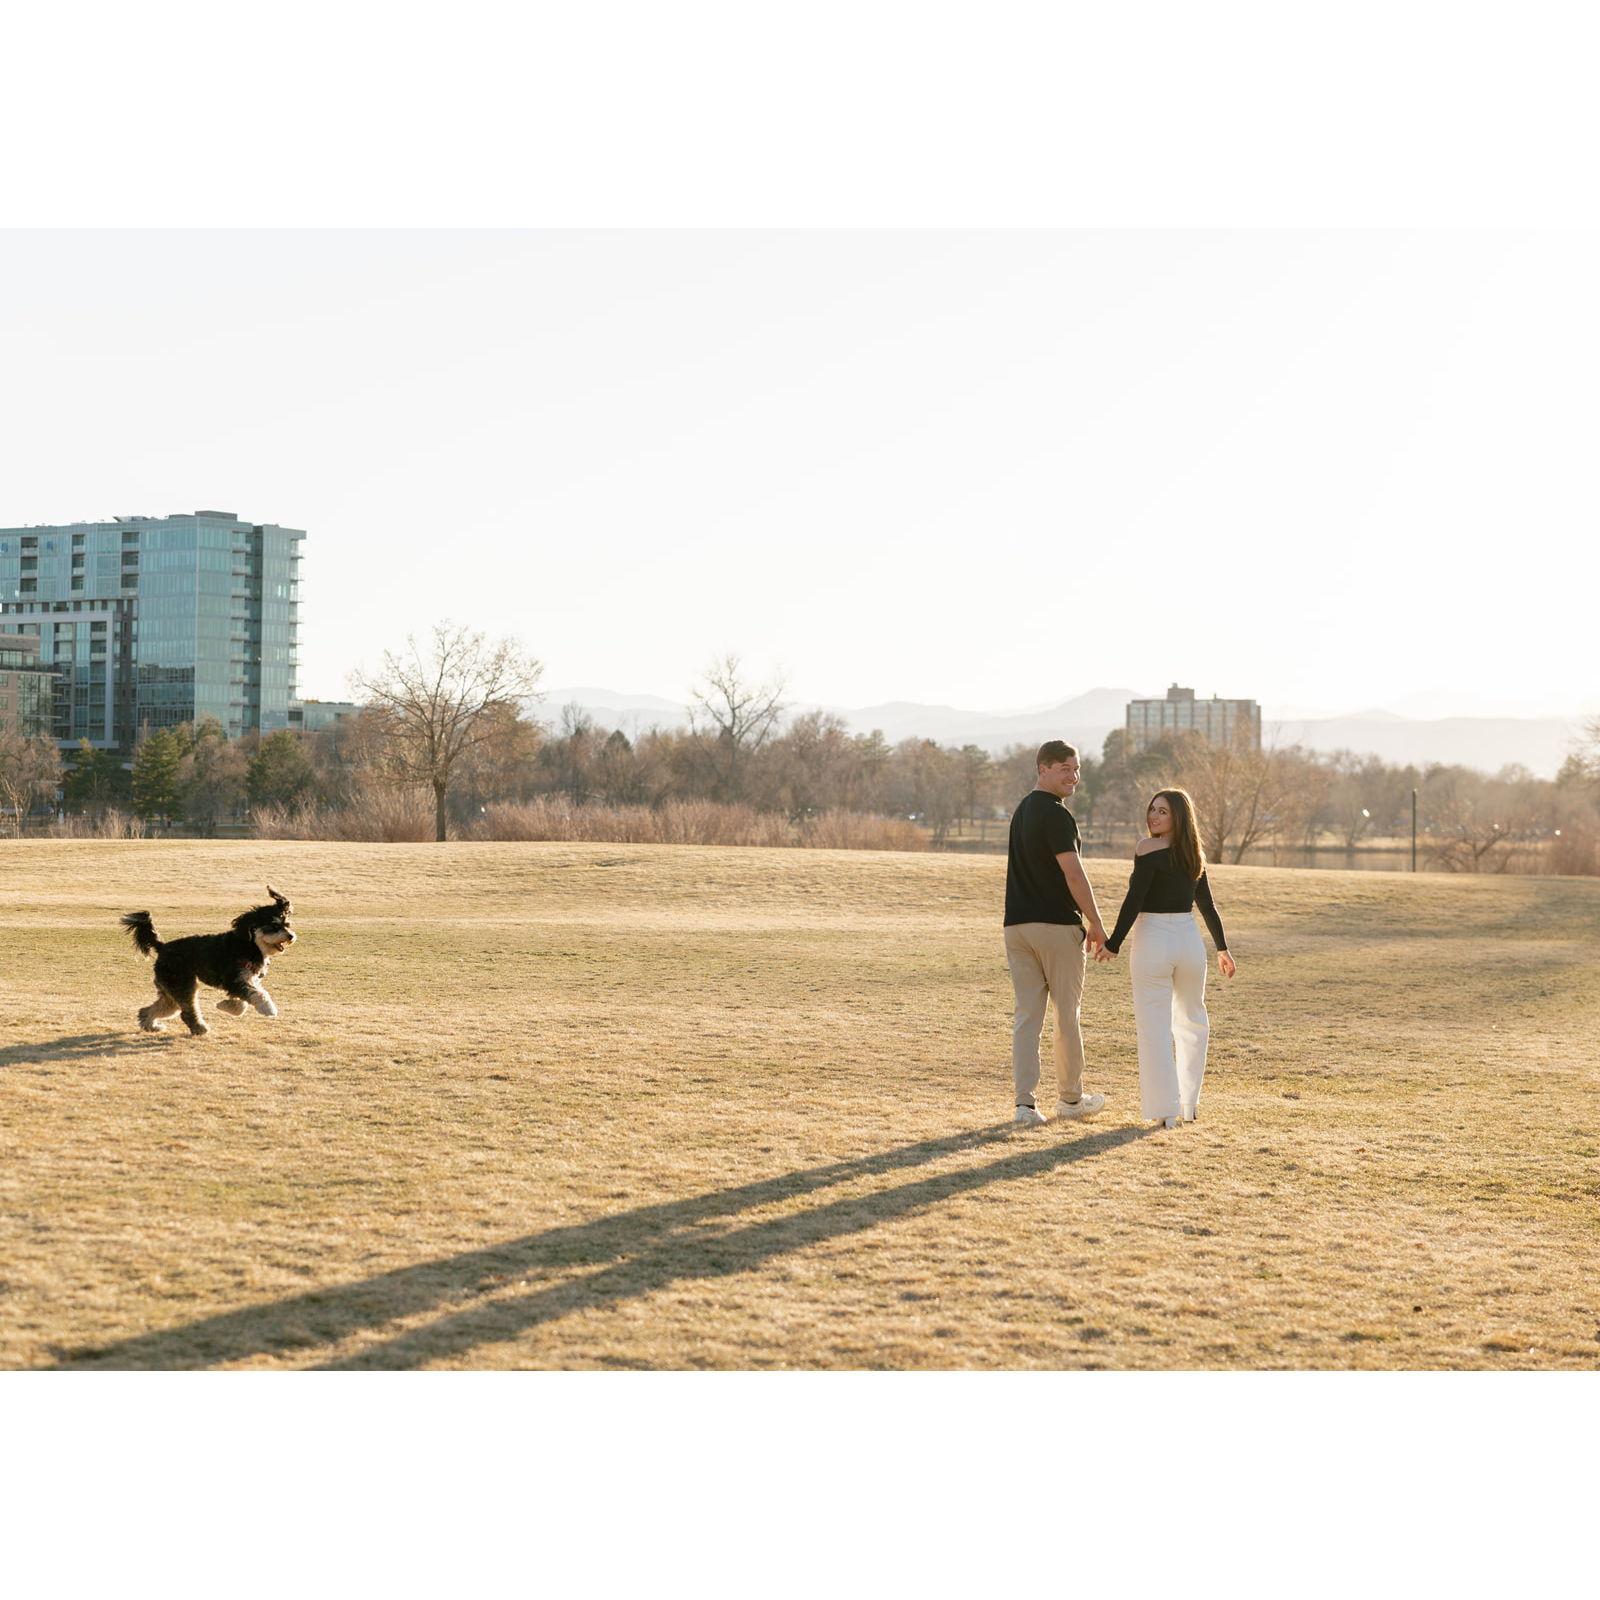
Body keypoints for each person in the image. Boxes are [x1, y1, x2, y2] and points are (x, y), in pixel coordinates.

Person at [1096, 787, 1236, 1127]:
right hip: (1189, 941)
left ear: (1178, 817)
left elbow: (1135, 899)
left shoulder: (1147, 848)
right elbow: (1206, 905)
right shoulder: (1194, 853)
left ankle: (1166, 1110)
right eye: (1152, 809)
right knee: (1192, 1021)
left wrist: (1114, 943)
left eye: (1163, 811)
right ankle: (1188, 1104)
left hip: (1154, 938)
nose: (1154, 816)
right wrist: (1221, 948)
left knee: (1155, 1027)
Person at [1003, 740, 1111, 1126]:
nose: (1074, 776)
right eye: (1065, 768)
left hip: (1017, 927)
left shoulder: (1021, 811)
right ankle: (1070, 1100)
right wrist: (1096, 922)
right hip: (1055, 927)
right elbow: (1073, 873)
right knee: (1067, 1015)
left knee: (1027, 1017)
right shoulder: (1056, 814)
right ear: (1043, 768)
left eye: (1077, 769)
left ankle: (1024, 1106)